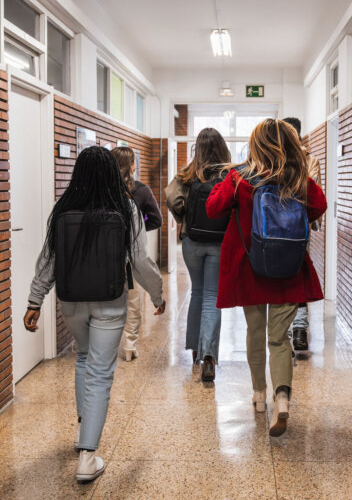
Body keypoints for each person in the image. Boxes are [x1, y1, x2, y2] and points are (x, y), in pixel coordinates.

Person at [23, 147, 165, 483]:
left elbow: (48, 260)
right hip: (110, 302)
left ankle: (82, 431)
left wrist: (34, 301)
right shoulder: (125, 206)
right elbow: (140, 261)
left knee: (84, 359)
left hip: (71, 302)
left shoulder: (64, 208)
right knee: (101, 372)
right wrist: (157, 294)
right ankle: (88, 456)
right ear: (114, 174)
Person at [206, 119, 327, 436]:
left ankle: (259, 395)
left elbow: (213, 209)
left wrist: (234, 184)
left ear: (256, 145)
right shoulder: (297, 178)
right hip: (288, 269)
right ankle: (282, 398)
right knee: (279, 338)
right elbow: (319, 206)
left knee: (255, 332)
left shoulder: (240, 177)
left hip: (251, 269)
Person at [166, 128, 231, 382]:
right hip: (219, 242)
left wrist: (183, 217)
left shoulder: (187, 173)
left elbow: (171, 198)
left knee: (197, 292)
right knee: (213, 296)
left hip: (192, 241)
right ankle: (209, 357)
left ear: (197, 148)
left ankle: (194, 350)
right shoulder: (228, 174)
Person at [110, 146, 162, 362]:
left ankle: (107, 345)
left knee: (109, 303)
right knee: (132, 300)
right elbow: (156, 219)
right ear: (132, 166)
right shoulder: (141, 190)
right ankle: (129, 346)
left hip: (105, 257)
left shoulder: (103, 190)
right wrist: (139, 226)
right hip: (131, 256)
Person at [282, 117, 322, 353]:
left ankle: (290, 329)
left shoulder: (271, 160)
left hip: (273, 229)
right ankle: (298, 329)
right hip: (300, 227)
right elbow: (315, 193)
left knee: (280, 278)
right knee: (298, 274)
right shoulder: (310, 161)